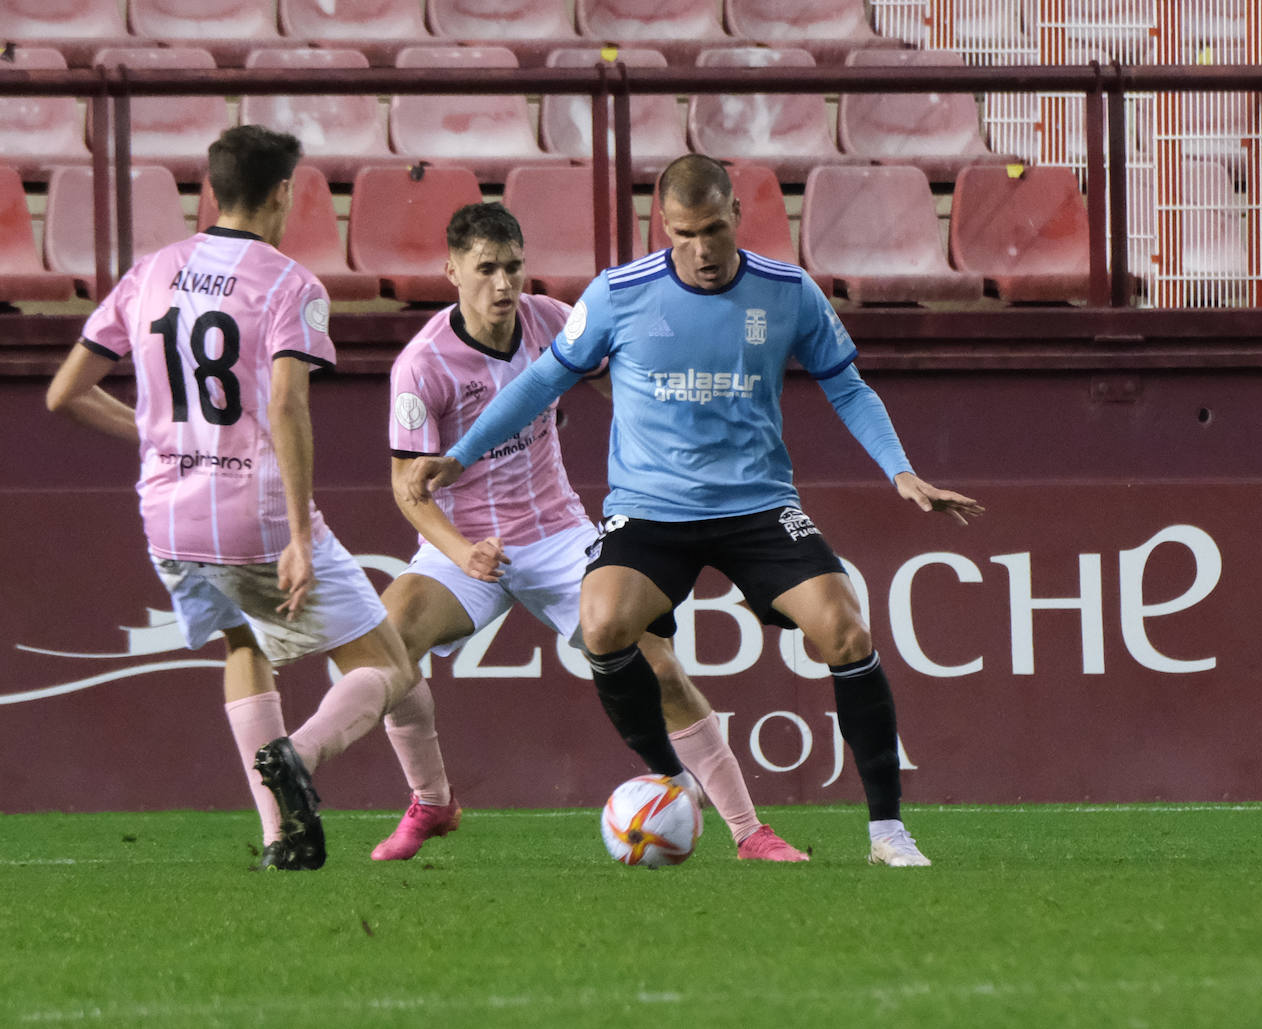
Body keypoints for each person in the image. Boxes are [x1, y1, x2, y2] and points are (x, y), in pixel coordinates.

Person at [405, 154, 984, 867]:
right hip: (652, 511)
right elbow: (541, 382)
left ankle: (888, 832)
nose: (701, 249)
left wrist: (899, 470)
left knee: (846, 631)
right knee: (603, 624)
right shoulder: (619, 294)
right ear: (663, 225)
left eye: (712, 229)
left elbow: (849, 386)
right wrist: (459, 456)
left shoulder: (788, 291)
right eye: (683, 233)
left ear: (736, 215)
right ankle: (670, 777)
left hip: (758, 505)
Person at [371, 201, 807, 862]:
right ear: (451, 270)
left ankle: (750, 831)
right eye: (485, 268)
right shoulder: (421, 363)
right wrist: (461, 552)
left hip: (554, 534)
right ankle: (432, 802)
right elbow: (409, 490)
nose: (503, 283)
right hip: (463, 544)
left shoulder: (550, 319)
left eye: (513, 267)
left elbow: (629, 380)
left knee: (656, 664)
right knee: (387, 642)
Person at [45, 125, 419, 871]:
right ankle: (300, 754)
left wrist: (156, 434)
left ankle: (283, 836)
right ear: (285, 192)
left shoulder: (149, 272)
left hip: (168, 517)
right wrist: (303, 539)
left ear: (210, 191)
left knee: (243, 642)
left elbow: (64, 394)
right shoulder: (289, 284)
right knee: (390, 667)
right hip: (255, 513)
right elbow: (285, 403)